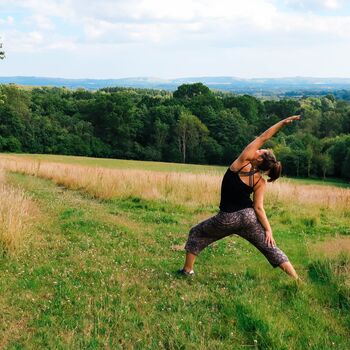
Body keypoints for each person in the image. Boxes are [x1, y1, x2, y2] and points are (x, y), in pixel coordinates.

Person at [179, 115, 301, 280]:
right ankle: (297, 280)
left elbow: (263, 137)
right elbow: (258, 208)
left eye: (261, 151)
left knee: (196, 233)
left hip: (228, 218)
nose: (258, 149)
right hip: (249, 218)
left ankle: (187, 271)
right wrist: (268, 230)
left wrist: (281, 123)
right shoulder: (260, 182)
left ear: (259, 159)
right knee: (270, 247)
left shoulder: (242, 162)